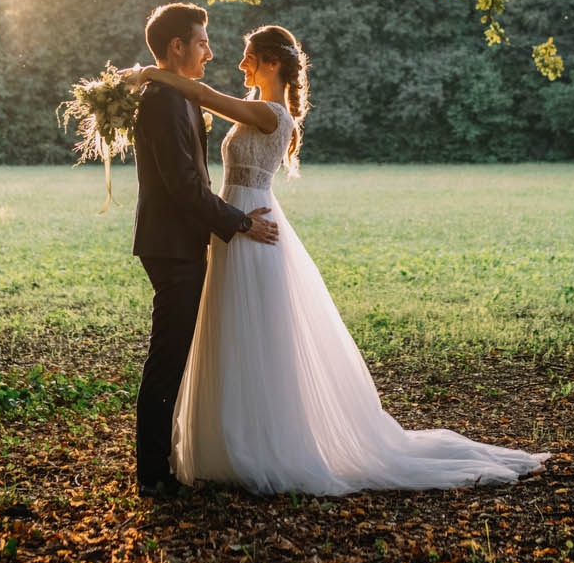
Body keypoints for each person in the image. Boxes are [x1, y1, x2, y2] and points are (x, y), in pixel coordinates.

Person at [123, 24, 548, 495]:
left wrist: (148, 74)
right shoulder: (256, 109)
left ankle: (264, 444)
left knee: (255, 333)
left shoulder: (271, 114)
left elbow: (203, 95)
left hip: (251, 224)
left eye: (249, 57)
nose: (239, 63)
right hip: (234, 224)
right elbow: (199, 103)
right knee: (232, 332)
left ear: (273, 63)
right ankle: (229, 440)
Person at [130, 3, 280, 500]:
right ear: (177, 47)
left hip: (179, 239)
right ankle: (153, 474)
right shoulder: (163, 101)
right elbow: (184, 186)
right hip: (171, 244)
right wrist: (240, 222)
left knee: (175, 352)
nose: (209, 53)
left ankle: (164, 461)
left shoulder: (178, 96)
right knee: (168, 355)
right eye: (201, 43)